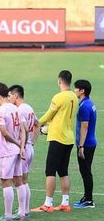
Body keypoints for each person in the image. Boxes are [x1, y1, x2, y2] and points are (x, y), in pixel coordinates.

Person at [33, 70, 78, 213]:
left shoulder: (58, 97)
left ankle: (48, 203)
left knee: (50, 170)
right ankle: (65, 202)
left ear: (59, 81)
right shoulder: (74, 97)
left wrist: (37, 123)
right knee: (63, 171)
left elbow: (48, 114)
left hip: (58, 137)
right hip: (69, 137)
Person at [0, 83, 27, 221]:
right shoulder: (17, 109)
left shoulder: (0, 111)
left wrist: (18, 144)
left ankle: (8, 215)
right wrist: (22, 146)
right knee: (18, 180)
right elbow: (24, 129)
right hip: (18, 150)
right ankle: (23, 212)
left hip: (6, 151)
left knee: (6, 181)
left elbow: (5, 133)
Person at [9, 85, 38, 216]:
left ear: (16, 95)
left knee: (20, 180)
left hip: (24, 148)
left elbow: (24, 129)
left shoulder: (19, 110)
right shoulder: (29, 107)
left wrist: (23, 145)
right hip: (29, 146)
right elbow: (37, 124)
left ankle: (22, 211)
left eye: (10, 96)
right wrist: (33, 142)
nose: (9, 98)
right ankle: (25, 210)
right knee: (25, 180)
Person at [74, 79, 96, 208]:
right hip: (90, 142)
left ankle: (89, 199)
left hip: (86, 144)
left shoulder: (84, 107)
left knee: (85, 171)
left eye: (76, 88)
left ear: (82, 91)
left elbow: (84, 126)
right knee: (86, 171)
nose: (74, 90)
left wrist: (81, 146)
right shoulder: (89, 103)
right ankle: (87, 196)